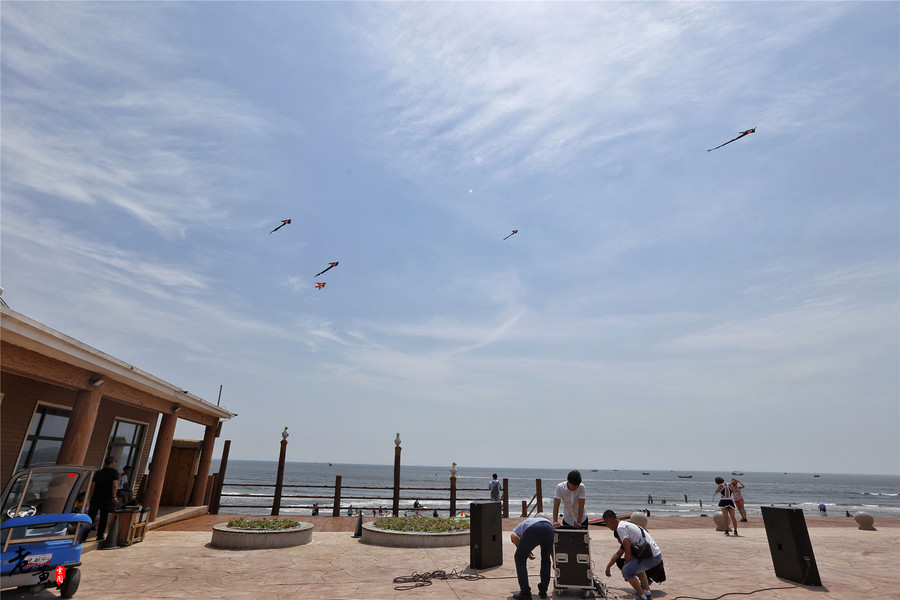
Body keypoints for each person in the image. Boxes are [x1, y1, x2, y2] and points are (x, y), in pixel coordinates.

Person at [603, 510, 662, 600]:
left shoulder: (620, 528)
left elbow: (628, 550)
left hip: (651, 557)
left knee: (626, 571)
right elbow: (620, 552)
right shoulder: (627, 524)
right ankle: (647, 593)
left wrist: (626, 566)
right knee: (637, 569)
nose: (608, 526)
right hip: (655, 555)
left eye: (607, 524)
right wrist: (608, 567)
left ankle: (643, 597)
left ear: (609, 520)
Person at [510, 513, 554, 600]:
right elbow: (551, 548)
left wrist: (524, 551)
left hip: (533, 529)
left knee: (519, 559)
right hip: (549, 529)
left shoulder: (529, 521)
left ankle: (525, 592)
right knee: (546, 559)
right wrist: (554, 561)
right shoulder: (548, 523)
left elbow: (514, 536)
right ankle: (543, 591)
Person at [89, 456, 119, 542]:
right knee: (103, 517)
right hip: (107, 497)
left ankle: (84, 535)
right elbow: (114, 485)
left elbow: (93, 485)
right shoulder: (114, 472)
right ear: (112, 462)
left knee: (91, 516)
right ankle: (100, 535)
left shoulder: (99, 472)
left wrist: (91, 496)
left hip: (96, 496)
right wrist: (114, 496)